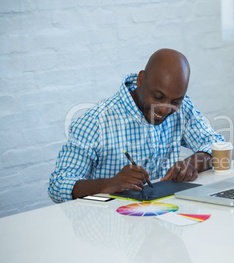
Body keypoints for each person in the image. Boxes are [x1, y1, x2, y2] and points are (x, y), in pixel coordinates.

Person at [48, 48, 224, 203]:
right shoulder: (95, 122)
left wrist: (191, 163)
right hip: (114, 229)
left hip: (168, 220)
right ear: (141, 79)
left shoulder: (183, 107)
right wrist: (109, 184)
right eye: (158, 96)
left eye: (175, 101)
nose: (164, 109)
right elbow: (58, 185)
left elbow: (217, 145)